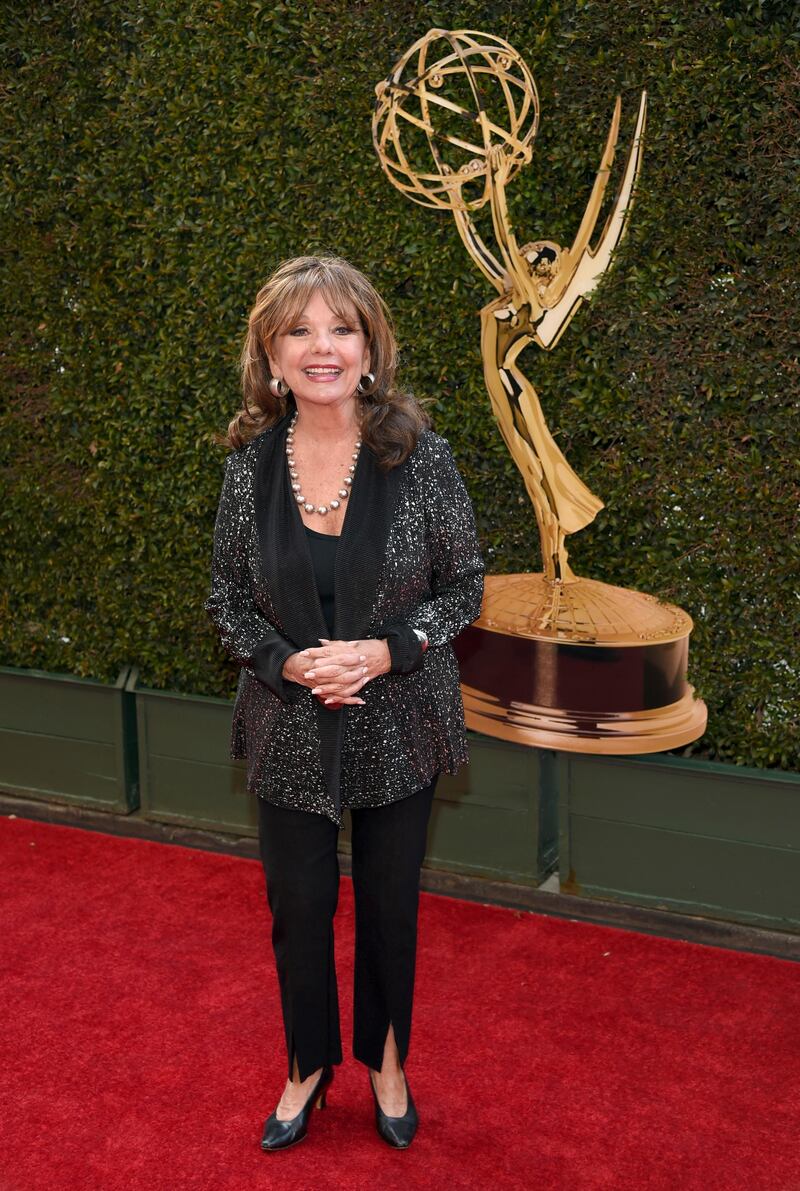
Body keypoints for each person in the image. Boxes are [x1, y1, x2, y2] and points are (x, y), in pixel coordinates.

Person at [204, 255, 484, 1151]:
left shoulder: (420, 456)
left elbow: (466, 586)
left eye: (340, 328)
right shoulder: (249, 469)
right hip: (288, 722)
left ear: (369, 349)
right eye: (299, 331)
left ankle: (389, 1061)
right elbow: (227, 602)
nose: (321, 347)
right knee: (297, 906)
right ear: (272, 356)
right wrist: (291, 665)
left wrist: (387, 650)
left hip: (401, 718)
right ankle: (306, 1068)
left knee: (391, 903)